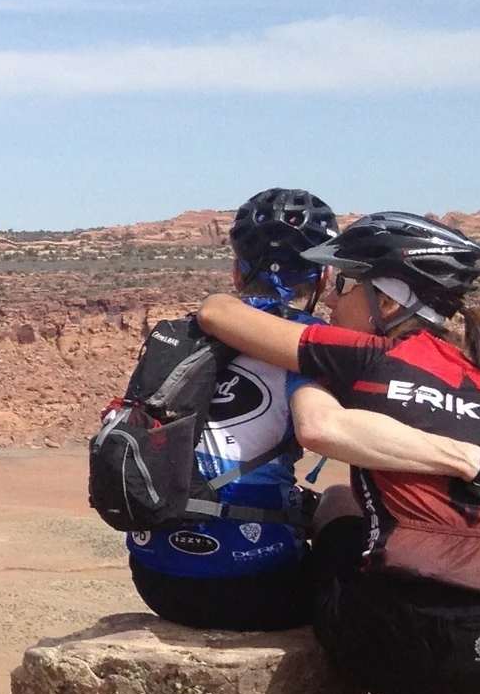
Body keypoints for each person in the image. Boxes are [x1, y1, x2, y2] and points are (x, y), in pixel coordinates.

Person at [197, 210, 480, 694]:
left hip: (411, 653)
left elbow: (217, 314)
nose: (330, 296)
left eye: (344, 284)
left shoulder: (365, 353)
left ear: (387, 301)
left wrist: (305, 365)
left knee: (333, 504)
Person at [122, 188, 336, 631]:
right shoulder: (314, 346)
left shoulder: (180, 337)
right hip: (259, 587)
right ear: (324, 277)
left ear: (237, 272)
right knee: (342, 506)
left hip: (156, 578)